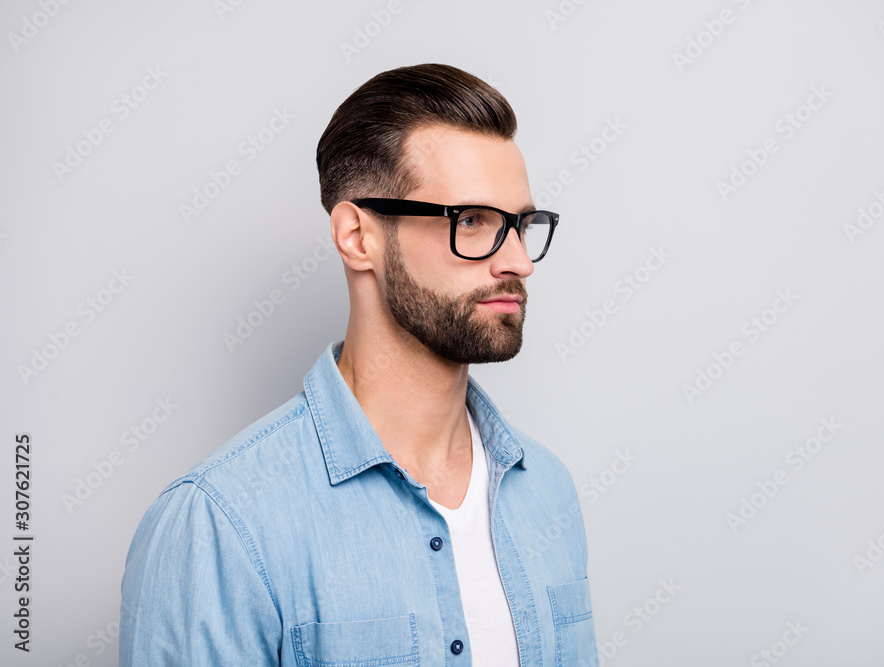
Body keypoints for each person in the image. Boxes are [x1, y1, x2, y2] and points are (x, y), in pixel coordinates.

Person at [119, 63, 596, 666]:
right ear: (357, 236)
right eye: (472, 221)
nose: (519, 263)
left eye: (521, 226)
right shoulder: (219, 524)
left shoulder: (545, 490)